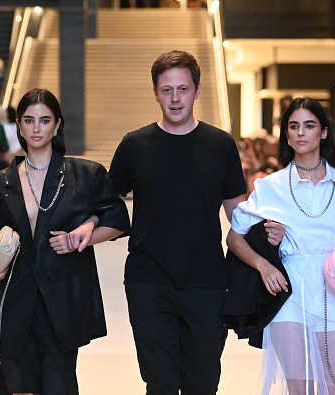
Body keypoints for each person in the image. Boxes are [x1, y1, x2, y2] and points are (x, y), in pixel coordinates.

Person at [0, 88, 130, 394]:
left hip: (62, 298)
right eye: (29, 120)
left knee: (59, 385)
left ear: (57, 124)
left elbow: (118, 220)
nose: (36, 128)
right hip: (15, 297)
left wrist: (82, 237)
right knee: (18, 387)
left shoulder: (85, 175)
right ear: (18, 124)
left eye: (44, 120)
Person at [108, 50, 247, 394]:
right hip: (148, 280)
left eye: (182, 89)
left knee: (203, 384)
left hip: (207, 282)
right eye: (166, 90)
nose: (175, 98)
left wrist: (268, 236)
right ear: (155, 92)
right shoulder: (134, 145)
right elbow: (106, 202)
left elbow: (238, 213)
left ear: (197, 90)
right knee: (160, 384)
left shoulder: (220, 145)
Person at [226, 97, 335, 394]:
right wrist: (263, 265)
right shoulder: (270, 186)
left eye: (309, 125)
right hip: (289, 291)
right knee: (299, 388)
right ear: (286, 134)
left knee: (334, 387)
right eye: (293, 126)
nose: (300, 133)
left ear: (323, 132)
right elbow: (235, 236)